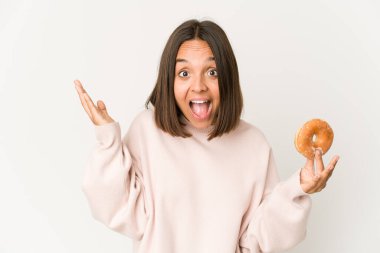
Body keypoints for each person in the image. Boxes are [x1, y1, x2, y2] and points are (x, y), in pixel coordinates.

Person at [74, 19, 340, 253]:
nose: (198, 86)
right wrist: (109, 139)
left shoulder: (253, 144)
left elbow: (258, 239)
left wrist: (298, 188)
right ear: (170, 80)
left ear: (227, 77)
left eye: (212, 72)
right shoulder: (147, 131)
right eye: (184, 73)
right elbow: (119, 209)